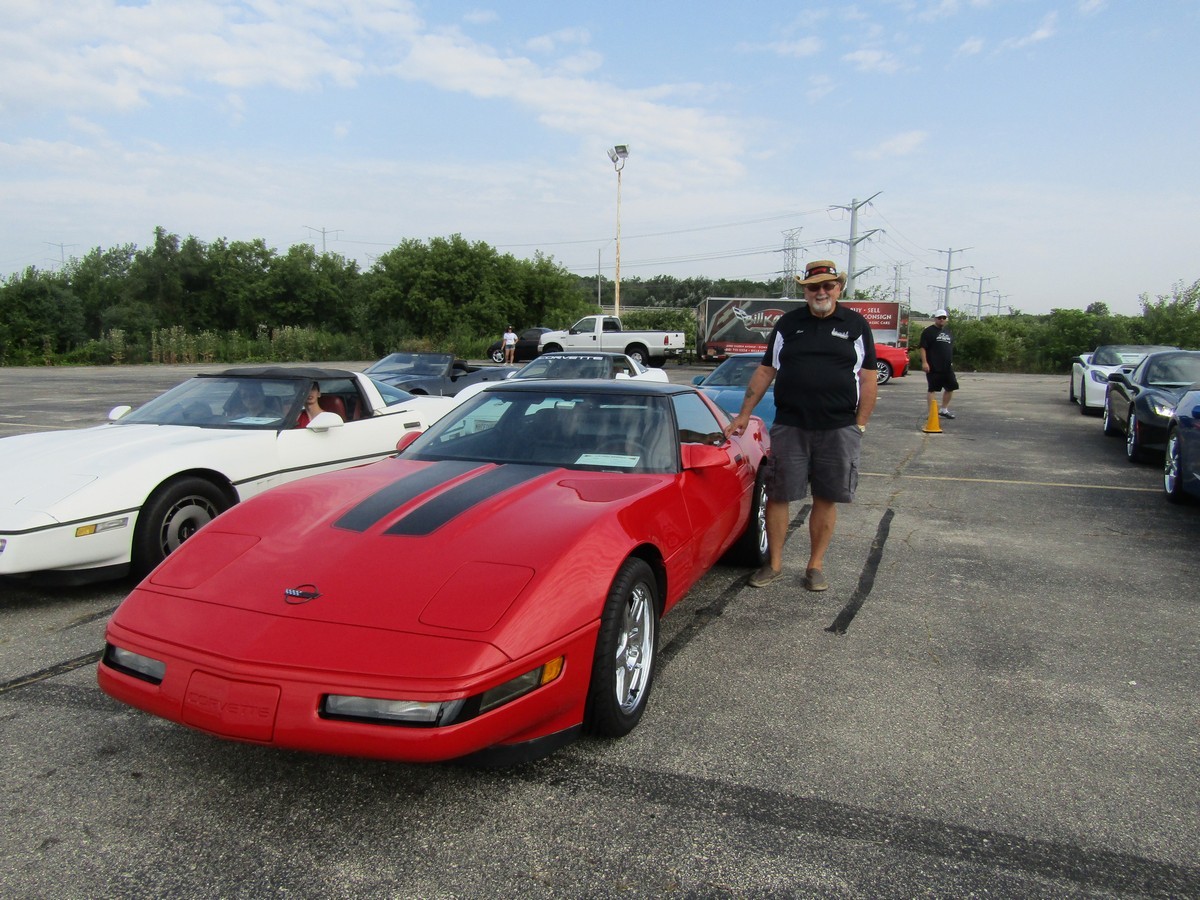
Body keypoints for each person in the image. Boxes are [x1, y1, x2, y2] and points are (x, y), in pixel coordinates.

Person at [723, 260, 878, 591]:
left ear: (838, 288)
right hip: (791, 425)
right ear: (805, 291)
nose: (821, 292)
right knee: (779, 495)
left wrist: (860, 424)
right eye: (813, 287)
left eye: (828, 285)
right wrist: (744, 413)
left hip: (839, 428)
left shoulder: (856, 325)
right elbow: (766, 370)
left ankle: (815, 566)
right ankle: (775, 564)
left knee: (826, 497)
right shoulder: (788, 324)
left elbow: (868, 378)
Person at [919, 309, 958, 419]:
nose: (941, 320)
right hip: (933, 366)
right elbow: (922, 347)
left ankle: (944, 409)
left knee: (951, 386)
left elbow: (949, 348)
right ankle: (931, 413)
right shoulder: (928, 331)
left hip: (947, 366)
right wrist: (924, 362)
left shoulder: (948, 332)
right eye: (939, 318)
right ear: (935, 319)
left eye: (944, 318)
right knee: (932, 389)